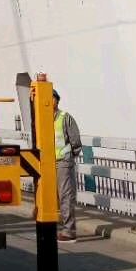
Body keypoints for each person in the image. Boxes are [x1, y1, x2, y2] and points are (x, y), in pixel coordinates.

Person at [52, 88, 83, 242]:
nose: (50, 101)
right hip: (48, 162)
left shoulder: (65, 118)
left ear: (57, 101)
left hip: (63, 162)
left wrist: (69, 157)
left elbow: (76, 142)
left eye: (53, 98)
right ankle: (57, 226)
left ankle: (69, 231)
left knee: (65, 196)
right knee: (51, 196)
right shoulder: (42, 119)